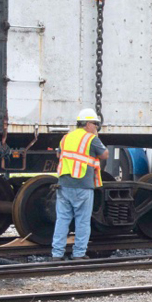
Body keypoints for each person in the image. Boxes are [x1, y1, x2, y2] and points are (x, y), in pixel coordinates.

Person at [51, 108, 108, 261]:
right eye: (95, 124)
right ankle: (79, 254)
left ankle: (57, 254)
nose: (96, 127)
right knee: (82, 221)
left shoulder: (66, 138)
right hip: (82, 185)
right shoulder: (91, 138)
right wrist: (97, 137)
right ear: (88, 124)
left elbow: (59, 154)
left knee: (62, 219)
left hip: (63, 185)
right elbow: (104, 155)